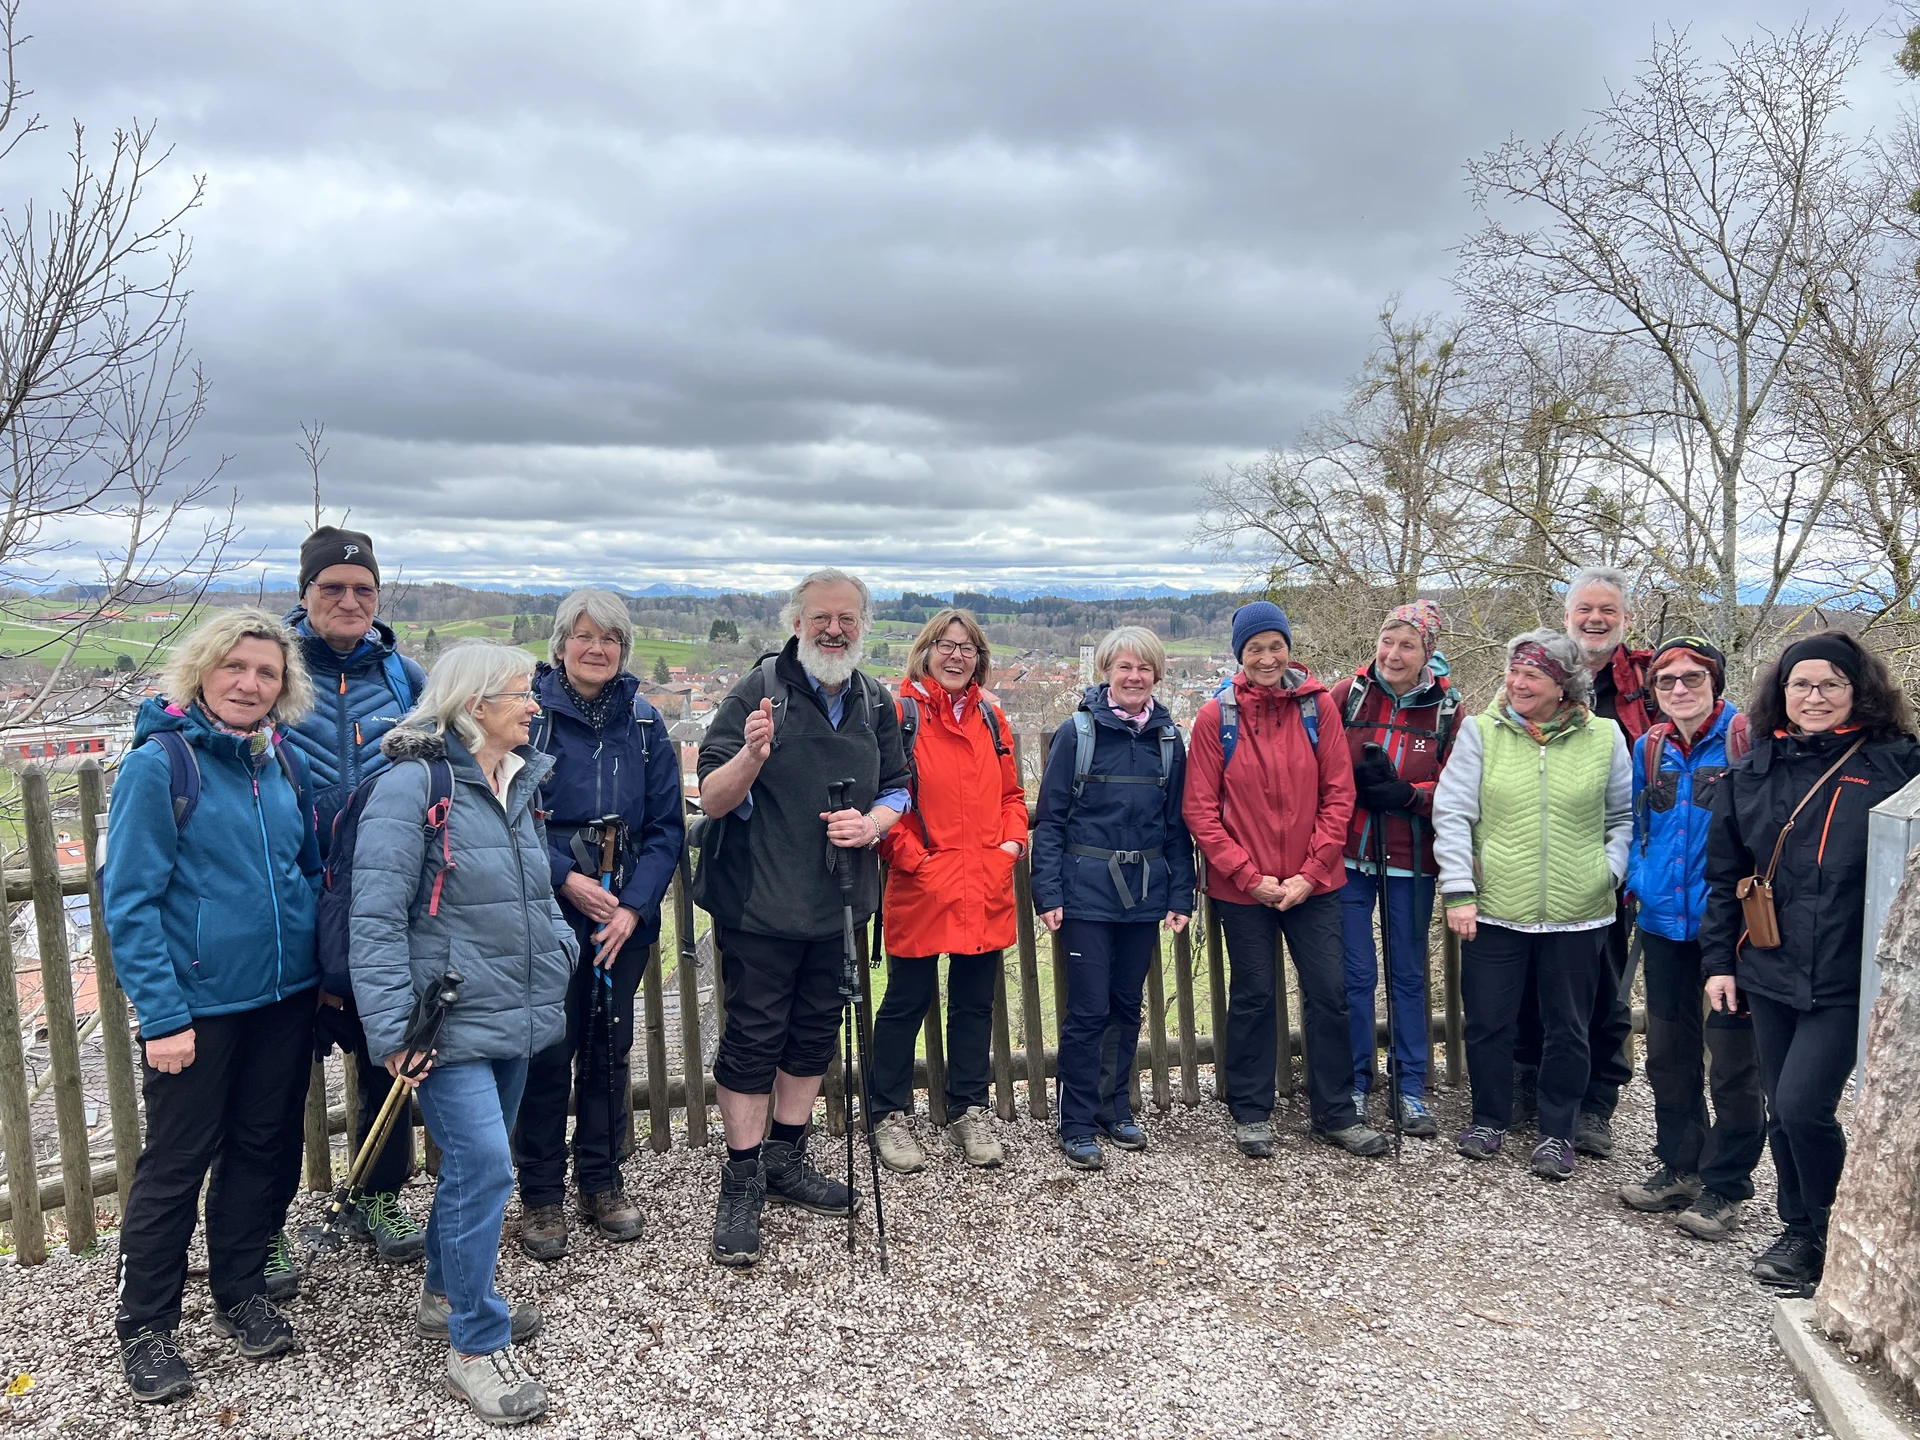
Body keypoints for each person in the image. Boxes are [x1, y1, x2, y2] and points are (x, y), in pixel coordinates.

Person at [351, 641, 577, 1425]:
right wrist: (392, 1032)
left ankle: (446, 1296)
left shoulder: (515, 781)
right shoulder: (410, 787)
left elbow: (535, 887)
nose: (534, 704)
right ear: (474, 703)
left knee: (476, 1170)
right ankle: (474, 1345)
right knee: (484, 1165)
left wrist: (560, 947)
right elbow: (374, 919)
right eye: (520, 691)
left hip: (510, 1011)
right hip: (441, 1023)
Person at [103, 609, 321, 1403]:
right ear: (201, 671)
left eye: (266, 673)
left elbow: (304, 871)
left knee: (264, 1149)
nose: (249, 683)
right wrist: (161, 1016)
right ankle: (147, 1326)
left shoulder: (282, 760)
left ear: (283, 688)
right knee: (176, 1164)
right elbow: (129, 901)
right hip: (197, 1008)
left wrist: (317, 969)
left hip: (283, 998)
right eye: (234, 667)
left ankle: (239, 1291)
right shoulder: (160, 766)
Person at [695, 569, 911, 1266]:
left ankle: (786, 1159)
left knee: (815, 1031)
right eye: (821, 618)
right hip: (761, 902)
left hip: (840, 900)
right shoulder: (757, 692)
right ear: (796, 622)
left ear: (863, 626)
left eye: (847, 619)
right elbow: (713, 794)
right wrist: (753, 756)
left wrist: (873, 823)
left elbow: (902, 787)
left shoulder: (874, 699)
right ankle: (742, 1177)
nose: (834, 630)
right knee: (754, 1037)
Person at [1701, 632, 1920, 1292]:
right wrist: (1719, 963)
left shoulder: (1897, 766)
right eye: (1802, 684)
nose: (1814, 696)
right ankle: (1800, 1229)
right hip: (1767, 966)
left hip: (1851, 976)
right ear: (1782, 692)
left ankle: (1829, 1227)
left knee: (1802, 1105)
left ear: (1859, 691)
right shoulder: (1755, 769)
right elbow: (1724, 876)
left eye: (1830, 684)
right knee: (1779, 1106)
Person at [512, 590, 684, 1260]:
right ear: (560, 645)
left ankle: (601, 1181)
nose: (596, 648)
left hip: (623, 914)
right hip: (547, 909)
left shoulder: (644, 726)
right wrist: (566, 878)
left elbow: (668, 828)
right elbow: (508, 813)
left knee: (608, 1052)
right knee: (547, 1049)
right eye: (583, 636)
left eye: (609, 638)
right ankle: (541, 1195)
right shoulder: (528, 720)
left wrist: (634, 907)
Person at [278, 526, 429, 1287]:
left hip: (378, 904)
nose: (347, 600)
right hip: (290, 902)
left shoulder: (406, 678)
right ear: (305, 594)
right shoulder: (268, 670)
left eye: (362, 589)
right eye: (332, 587)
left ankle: (378, 1196)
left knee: (388, 1059)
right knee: (271, 1078)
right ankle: (261, 1225)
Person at [1184, 603, 1387, 1161]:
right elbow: (1201, 811)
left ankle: (1337, 1113)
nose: (1268, 658)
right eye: (1256, 649)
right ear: (1240, 655)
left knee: (1331, 993)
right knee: (1253, 995)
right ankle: (1250, 1112)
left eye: (1276, 646)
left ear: (1288, 649)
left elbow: (1338, 794)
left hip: (1313, 886)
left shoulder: (1317, 708)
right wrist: (1250, 878)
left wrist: (1309, 873)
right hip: (1240, 890)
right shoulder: (1214, 718)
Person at [1433, 628, 1631, 1183]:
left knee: (1569, 1026)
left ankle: (1558, 1132)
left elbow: (1622, 819)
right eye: (1514, 672)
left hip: (1579, 909)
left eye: (1533, 675)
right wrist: (1460, 891)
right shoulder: (1481, 734)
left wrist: (1607, 874)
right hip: (1495, 907)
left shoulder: (1605, 738)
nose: (1518, 683)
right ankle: (1489, 1119)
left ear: (1564, 685)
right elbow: (1452, 816)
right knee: (1489, 1022)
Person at [1618, 637, 1766, 1240]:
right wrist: (1638, 880)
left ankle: (1727, 1184)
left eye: (1692, 677)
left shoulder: (1747, 741)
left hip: (1728, 927)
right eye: (1666, 680)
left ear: (1716, 681)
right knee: (1669, 1053)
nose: (1679, 689)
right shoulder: (1649, 748)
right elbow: (1633, 821)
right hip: (1662, 922)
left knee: (1732, 1059)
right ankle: (1678, 1164)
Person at [868, 610, 1027, 1172]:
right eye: (946, 645)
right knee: (905, 1001)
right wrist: (918, 862)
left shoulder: (992, 719)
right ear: (925, 650)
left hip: (983, 884)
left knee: (973, 1004)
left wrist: (1010, 847)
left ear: (979, 658)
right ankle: (887, 1113)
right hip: (922, 885)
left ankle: (967, 1108)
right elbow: (883, 803)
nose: (956, 656)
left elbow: (1013, 796)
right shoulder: (899, 715)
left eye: (967, 648)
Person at [1034, 626, 1195, 1170]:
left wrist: (1182, 894)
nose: (1134, 677)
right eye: (1124, 667)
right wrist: (1048, 891)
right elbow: (1051, 821)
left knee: (1127, 1006)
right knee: (1088, 1010)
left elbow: (1176, 827)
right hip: (1084, 895)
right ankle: (1076, 1120)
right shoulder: (1076, 735)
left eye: (1144, 668)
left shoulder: (1169, 742)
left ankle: (1113, 1106)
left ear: (1157, 676)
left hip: (1144, 894)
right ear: (1106, 671)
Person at [1512, 566, 1657, 1158]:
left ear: (1625, 618)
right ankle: (1531, 1088)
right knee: (1527, 984)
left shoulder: (1646, 683)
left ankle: (1597, 1100)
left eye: (1609, 611)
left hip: (1606, 869)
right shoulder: (1535, 670)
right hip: (1530, 866)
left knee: (1604, 989)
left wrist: (1618, 866)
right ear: (1566, 612)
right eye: (1585, 609)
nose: (1596, 620)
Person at [1328, 599, 1458, 1140]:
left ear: (1428, 650)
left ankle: (1410, 1087)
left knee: (1406, 974)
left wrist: (1409, 794)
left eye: (1408, 644)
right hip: (1352, 856)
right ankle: (1358, 1081)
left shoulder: (1447, 711)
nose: (1394, 653)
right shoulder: (1349, 695)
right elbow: (1320, 764)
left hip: (1410, 858)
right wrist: (1351, 786)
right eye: (1388, 641)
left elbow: (1457, 786)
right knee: (1355, 974)